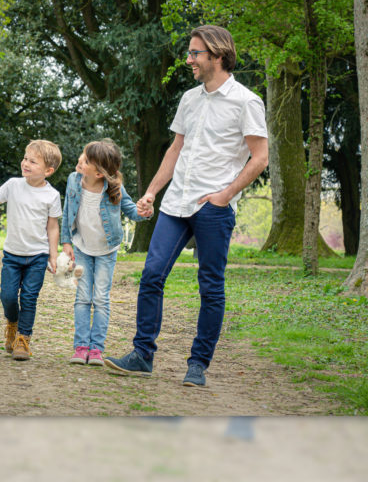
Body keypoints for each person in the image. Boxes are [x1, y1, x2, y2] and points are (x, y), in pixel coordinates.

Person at [105, 25, 268, 386]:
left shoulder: (246, 101)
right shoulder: (190, 99)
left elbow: (260, 158)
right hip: (176, 202)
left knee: (210, 286)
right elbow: (175, 149)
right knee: (151, 275)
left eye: (195, 53)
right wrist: (151, 192)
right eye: (190, 53)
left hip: (213, 208)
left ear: (218, 55)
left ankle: (198, 364)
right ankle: (142, 354)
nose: (189, 59)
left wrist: (225, 195)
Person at [61, 140, 152, 366]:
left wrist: (146, 213)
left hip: (107, 250)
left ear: (100, 173)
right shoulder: (74, 181)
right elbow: (67, 212)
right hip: (81, 247)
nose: (81, 160)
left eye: (87, 160)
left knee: (101, 299)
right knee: (82, 297)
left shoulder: (114, 188)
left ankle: (97, 350)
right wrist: (66, 242)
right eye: (83, 155)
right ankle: (81, 347)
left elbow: (131, 209)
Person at [0, 140, 62, 361]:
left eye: (32, 161)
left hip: (38, 256)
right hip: (12, 255)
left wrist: (53, 255)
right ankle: (12, 324)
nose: (25, 163)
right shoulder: (13, 185)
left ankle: (23, 340)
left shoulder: (52, 195)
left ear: (48, 171)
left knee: (29, 298)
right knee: (7, 296)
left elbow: (53, 227)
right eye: (25, 158)